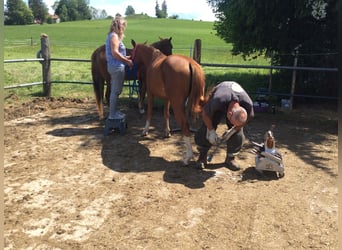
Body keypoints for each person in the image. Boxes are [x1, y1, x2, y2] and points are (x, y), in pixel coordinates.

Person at [194, 81, 254, 170]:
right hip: (221, 94)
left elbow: (246, 120)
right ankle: (202, 156)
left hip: (231, 101)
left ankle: (230, 158)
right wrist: (211, 131)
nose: (234, 125)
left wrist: (233, 130)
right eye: (232, 122)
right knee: (207, 126)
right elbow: (205, 114)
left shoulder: (248, 105)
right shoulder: (217, 100)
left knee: (238, 132)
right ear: (229, 113)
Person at [105, 15, 133, 120]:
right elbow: (115, 53)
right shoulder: (114, 36)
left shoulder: (113, 36)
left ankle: (114, 112)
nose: (124, 29)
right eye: (123, 26)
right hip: (116, 67)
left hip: (115, 66)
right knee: (115, 91)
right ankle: (112, 115)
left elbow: (117, 54)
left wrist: (127, 57)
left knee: (115, 91)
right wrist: (127, 61)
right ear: (119, 26)